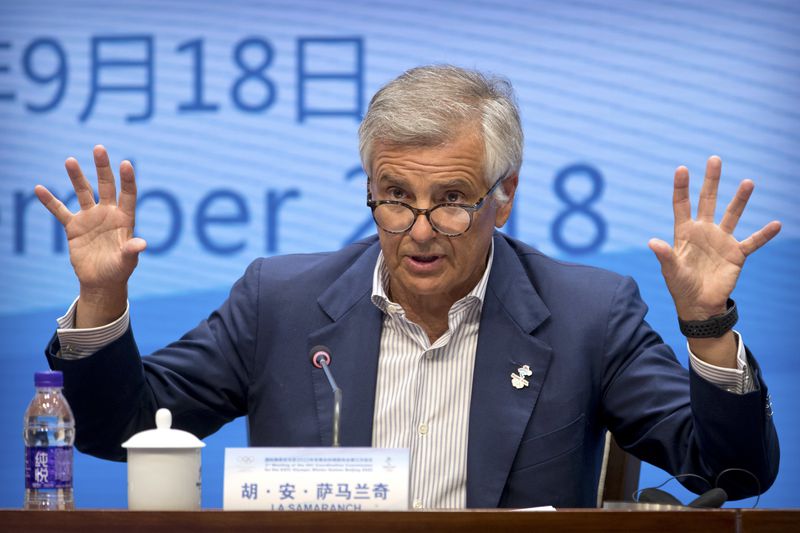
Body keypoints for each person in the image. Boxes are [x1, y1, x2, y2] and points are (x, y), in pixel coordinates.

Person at [37, 65, 780, 509]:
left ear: (504, 194)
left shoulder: (589, 313)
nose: (420, 229)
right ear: (369, 186)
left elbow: (730, 471)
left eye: (452, 198)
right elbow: (116, 428)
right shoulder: (280, 303)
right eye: (394, 195)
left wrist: (708, 322)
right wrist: (102, 300)